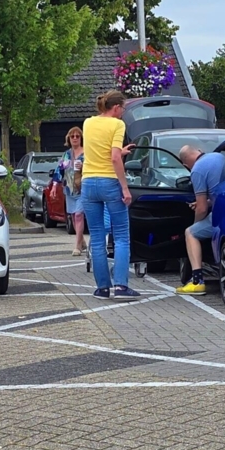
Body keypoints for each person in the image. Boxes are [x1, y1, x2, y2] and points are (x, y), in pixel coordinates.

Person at [81, 90, 139, 299]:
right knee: (122, 236)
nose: (123, 112)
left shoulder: (88, 123)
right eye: (123, 108)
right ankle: (122, 286)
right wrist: (125, 188)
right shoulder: (117, 125)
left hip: (89, 182)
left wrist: (119, 151)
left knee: (97, 237)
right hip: (109, 182)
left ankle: (102, 288)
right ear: (116, 108)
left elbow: (97, 150)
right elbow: (114, 158)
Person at [175, 145, 225, 295]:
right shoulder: (218, 157)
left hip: (219, 215)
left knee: (191, 233)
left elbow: (201, 210)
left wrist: (196, 224)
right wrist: (206, 201)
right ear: (199, 150)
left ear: (185, 165)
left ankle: (197, 281)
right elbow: (217, 193)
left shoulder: (197, 170)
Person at [55, 126, 86, 255]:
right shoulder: (67, 154)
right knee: (73, 215)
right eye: (72, 136)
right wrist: (55, 185)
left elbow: (93, 167)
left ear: (81, 138)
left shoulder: (86, 153)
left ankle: (77, 246)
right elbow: (59, 169)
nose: (74, 138)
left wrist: (83, 166)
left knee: (79, 215)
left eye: (77, 136)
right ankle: (82, 241)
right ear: (68, 138)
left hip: (83, 189)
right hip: (69, 189)